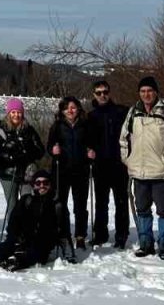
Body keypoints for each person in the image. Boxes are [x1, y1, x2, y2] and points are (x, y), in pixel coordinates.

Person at [121, 75, 164, 260]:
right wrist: (128, 159)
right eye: (143, 91)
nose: (146, 94)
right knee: (142, 209)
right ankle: (146, 243)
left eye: (149, 91)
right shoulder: (134, 111)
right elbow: (123, 138)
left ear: (156, 92)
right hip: (139, 171)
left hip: (161, 172)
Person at [0, 169, 75, 271]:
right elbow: (14, 222)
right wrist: (14, 238)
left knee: (35, 254)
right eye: (38, 183)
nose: (42, 186)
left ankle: (16, 262)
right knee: (2, 252)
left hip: (43, 243)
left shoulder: (57, 204)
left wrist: (68, 253)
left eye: (45, 183)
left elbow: (64, 231)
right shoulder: (26, 200)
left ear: (50, 184)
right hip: (23, 239)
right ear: (34, 185)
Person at [86, 80, 130, 248]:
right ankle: (100, 234)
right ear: (94, 95)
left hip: (119, 164)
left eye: (105, 92)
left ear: (109, 93)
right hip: (100, 166)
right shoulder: (90, 116)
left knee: (121, 201)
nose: (102, 95)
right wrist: (88, 150)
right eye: (99, 93)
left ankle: (122, 235)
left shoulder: (121, 111)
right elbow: (87, 139)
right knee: (101, 203)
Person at [47, 96, 95, 249]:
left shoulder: (86, 126)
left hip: (81, 170)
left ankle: (80, 235)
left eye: (73, 107)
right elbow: (49, 146)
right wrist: (53, 150)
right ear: (62, 110)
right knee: (60, 204)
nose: (70, 110)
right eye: (67, 107)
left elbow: (92, 144)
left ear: (79, 109)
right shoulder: (57, 126)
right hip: (61, 170)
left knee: (80, 205)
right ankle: (62, 233)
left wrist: (92, 152)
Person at [0, 98, 44, 225]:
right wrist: (9, 154)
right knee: (13, 206)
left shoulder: (28, 129)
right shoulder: (1, 129)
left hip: (27, 173)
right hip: (8, 173)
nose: (16, 115)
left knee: (27, 202)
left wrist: (26, 153)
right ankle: (12, 233)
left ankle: (27, 232)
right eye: (13, 112)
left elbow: (40, 151)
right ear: (9, 113)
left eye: (19, 112)